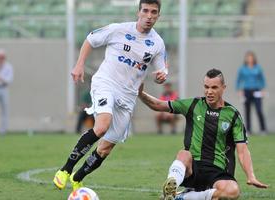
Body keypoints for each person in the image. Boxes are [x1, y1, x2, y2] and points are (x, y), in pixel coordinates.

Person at [53, 0, 168, 191]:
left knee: (106, 148)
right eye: (145, 11)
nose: (149, 16)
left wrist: (161, 77)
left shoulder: (157, 43)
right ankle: (65, 170)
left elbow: (161, 71)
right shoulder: (119, 30)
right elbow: (91, 39)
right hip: (106, 83)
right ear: (138, 12)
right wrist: (80, 64)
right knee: (102, 126)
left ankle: (77, 177)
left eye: (153, 12)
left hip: (128, 96)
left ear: (158, 15)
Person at [138, 69, 268, 200]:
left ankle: (182, 198)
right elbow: (157, 105)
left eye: (214, 87)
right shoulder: (193, 105)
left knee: (233, 191)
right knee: (184, 154)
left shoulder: (232, 114)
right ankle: (171, 188)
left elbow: (242, 150)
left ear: (223, 88)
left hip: (217, 171)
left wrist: (251, 176)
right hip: (193, 169)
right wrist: (140, 93)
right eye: (206, 87)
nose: (209, 91)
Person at [236, 51, 267, 134]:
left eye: (251, 57)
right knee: (247, 110)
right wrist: (239, 90)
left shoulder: (258, 68)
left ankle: (263, 129)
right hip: (246, 91)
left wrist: (263, 89)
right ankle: (248, 130)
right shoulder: (242, 68)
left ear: (254, 58)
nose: (249, 59)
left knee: (259, 110)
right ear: (246, 59)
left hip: (256, 91)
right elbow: (239, 80)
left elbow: (262, 79)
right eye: (248, 57)